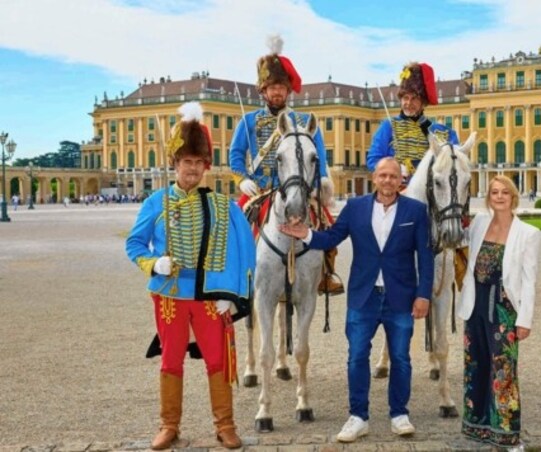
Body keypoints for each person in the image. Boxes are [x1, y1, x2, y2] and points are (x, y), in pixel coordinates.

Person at [126, 102, 255, 450]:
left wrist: (233, 293)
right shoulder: (156, 202)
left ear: (205, 167)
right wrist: (153, 264)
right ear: (175, 164)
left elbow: (243, 250)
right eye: (187, 162)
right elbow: (134, 244)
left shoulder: (222, 205)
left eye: (199, 163)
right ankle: (169, 425)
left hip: (210, 294)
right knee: (170, 360)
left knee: (217, 359)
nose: (193, 169)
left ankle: (225, 424)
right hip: (169, 293)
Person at [279, 157, 433, 443]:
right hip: (364, 296)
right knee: (356, 357)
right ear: (374, 178)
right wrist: (307, 234)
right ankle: (358, 416)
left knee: (400, 358)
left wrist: (423, 294)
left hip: (401, 295)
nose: (388, 181)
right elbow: (333, 237)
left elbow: (425, 257)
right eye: (383, 175)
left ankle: (399, 414)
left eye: (393, 176)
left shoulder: (417, 210)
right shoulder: (356, 207)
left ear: (401, 181)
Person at [228, 35, 342, 295]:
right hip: (259, 189)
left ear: (288, 90)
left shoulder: (303, 121)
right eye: (271, 87)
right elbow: (235, 155)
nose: (277, 91)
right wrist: (242, 178)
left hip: (299, 188)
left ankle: (327, 272)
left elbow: (320, 157)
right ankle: (235, 275)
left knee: (326, 223)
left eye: (281, 86)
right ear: (263, 90)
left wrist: (321, 183)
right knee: (233, 228)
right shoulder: (248, 121)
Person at [457, 175, 540, 450]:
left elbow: (529, 280)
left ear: (513, 196)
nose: (500, 197)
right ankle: (478, 427)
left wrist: (524, 320)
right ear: (489, 197)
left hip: (504, 308)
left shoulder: (528, 233)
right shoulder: (480, 223)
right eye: (495, 192)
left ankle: (508, 435)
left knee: (503, 370)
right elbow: (454, 237)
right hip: (476, 304)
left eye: (505, 192)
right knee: (476, 366)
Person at [366, 62, 458, 180]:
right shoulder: (388, 127)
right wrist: (394, 168)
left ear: (423, 103)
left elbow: (455, 161)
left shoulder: (443, 132)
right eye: (405, 98)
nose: (408, 103)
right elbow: (373, 161)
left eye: (414, 98)